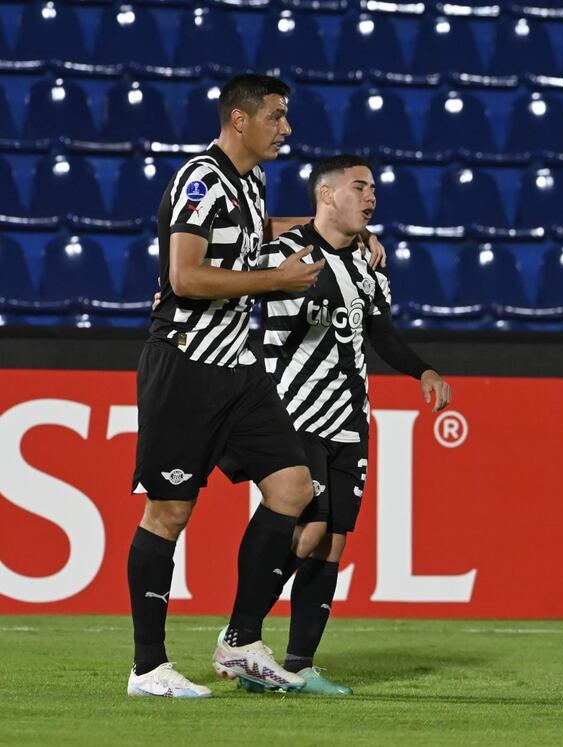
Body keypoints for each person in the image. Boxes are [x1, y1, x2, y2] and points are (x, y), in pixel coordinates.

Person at [126, 73, 328, 698]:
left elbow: (251, 234)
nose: (286, 128)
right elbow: (184, 277)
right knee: (169, 511)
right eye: (276, 116)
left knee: (295, 488)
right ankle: (148, 667)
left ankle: (240, 642)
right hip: (186, 365)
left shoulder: (249, 181)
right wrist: (275, 283)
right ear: (240, 120)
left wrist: (327, 233)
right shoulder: (200, 179)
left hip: (238, 367)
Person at [235, 154, 451, 696]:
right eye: (360, 187)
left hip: (351, 417)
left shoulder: (369, 264)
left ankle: (299, 664)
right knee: (304, 533)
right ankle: (240, 639)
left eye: (374, 188)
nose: (372, 196)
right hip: (294, 411)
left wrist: (421, 369)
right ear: (327, 194)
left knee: (332, 542)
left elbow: (381, 334)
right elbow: (227, 273)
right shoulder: (281, 255)